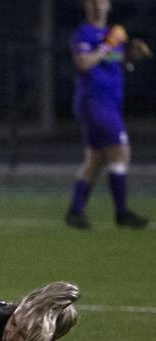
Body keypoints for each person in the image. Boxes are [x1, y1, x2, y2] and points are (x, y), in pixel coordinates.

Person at [65, 0, 152, 229]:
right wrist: (106, 46)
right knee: (121, 152)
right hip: (95, 102)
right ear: (86, 6)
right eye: (92, 2)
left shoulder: (112, 34)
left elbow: (115, 63)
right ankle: (122, 214)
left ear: (109, 6)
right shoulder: (84, 34)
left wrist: (130, 56)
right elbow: (83, 63)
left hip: (109, 103)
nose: (97, 5)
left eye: (101, 1)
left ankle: (75, 211)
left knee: (96, 159)